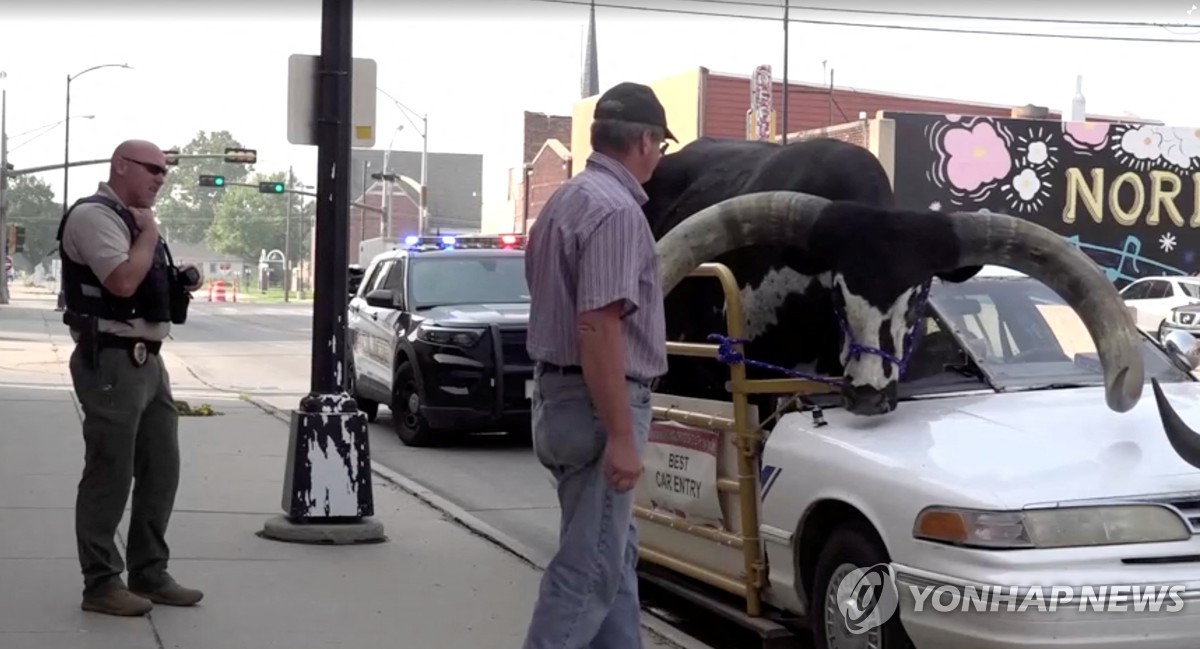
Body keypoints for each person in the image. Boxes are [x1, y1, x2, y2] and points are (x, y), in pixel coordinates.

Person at [521, 82, 675, 649]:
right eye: (659, 144)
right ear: (644, 139)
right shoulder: (617, 212)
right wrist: (620, 434)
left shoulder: (565, 200)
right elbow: (597, 325)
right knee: (587, 573)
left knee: (613, 555)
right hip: (598, 407)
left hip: (559, 401)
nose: (658, 156)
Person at [57, 139, 205, 617]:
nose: (160, 178)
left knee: (162, 468)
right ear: (121, 165)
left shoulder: (136, 220)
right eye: (152, 169)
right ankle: (101, 583)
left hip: (147, 360)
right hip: (112, 360)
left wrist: (176, 276)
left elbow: (142, 282)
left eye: (164, 172)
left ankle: (149, 573)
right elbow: (120, 281)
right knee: (110, 471)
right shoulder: (95, 216)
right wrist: (149, 236)